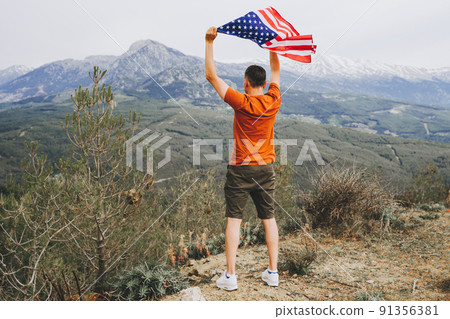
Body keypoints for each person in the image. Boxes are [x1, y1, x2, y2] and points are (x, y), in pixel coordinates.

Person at [205, 26, 281, 291]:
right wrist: (272, 45)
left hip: (240, 170)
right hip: (265, 169)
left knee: (234, 221)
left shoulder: (241, 101)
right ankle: (273, 272)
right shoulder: (274, 99)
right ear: (264, 83)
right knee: (268, 218)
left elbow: (211, 76)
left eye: (244, 81)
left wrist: (209, 42)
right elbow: (277, 72)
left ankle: (231, 276)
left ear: (247, 82)